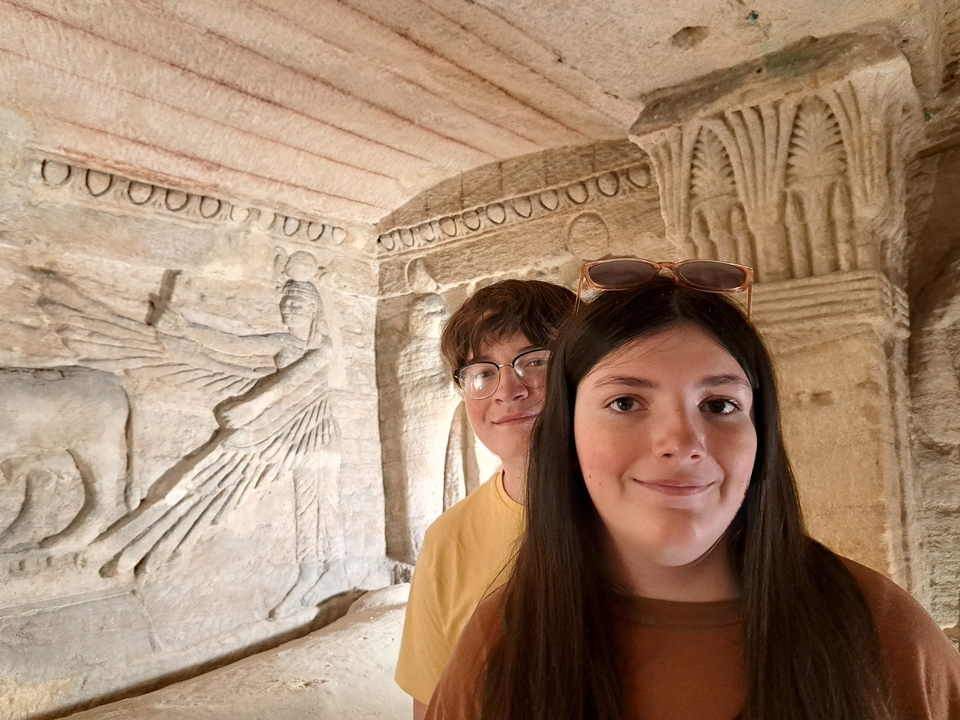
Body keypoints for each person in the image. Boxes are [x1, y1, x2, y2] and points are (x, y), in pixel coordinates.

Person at [426, 259, 960, 720]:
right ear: (566, 437)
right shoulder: (502, 640)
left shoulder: (883, 629)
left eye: (720, 405)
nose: (682, 444)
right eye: (626, 403)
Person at [395, 279, 576, 719]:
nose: (507, 390)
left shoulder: (644, 515)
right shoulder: (448, 540)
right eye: (482, 372)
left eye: (534, 361)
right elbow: (433, 704)